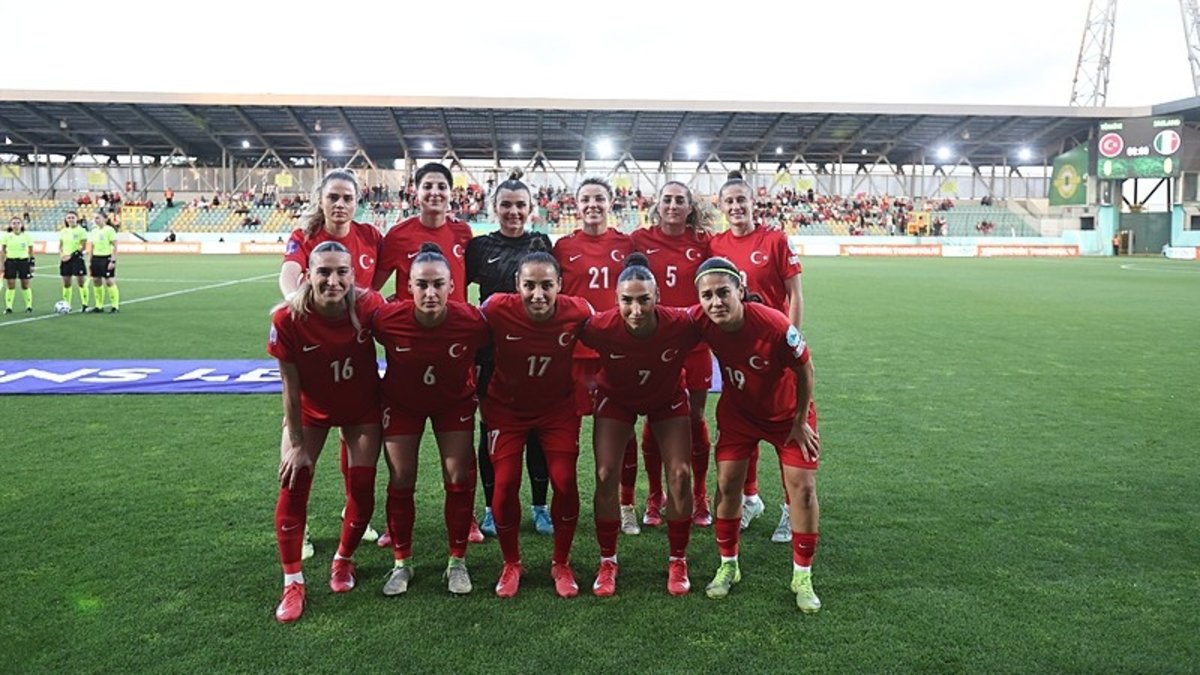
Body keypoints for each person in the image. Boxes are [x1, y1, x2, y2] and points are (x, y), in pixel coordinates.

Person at [691, 256, 823, 613]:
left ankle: (802, 576)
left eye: (723, 292)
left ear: (741, 290)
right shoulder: (700, 320)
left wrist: (800, 420)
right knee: (727, 485)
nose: (716, 302)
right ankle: (728, 565)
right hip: (739, 415)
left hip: (787, 416)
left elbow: (806, 369)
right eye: (707, 295)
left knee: (803, 489)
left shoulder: (774, 325)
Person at [267, 241, 385, 623]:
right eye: (324, 272)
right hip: (310, 413)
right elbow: (289, 387)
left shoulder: (369, 306)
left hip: (361, 410)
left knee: (362, 489)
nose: (333, 280)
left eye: (341, 272)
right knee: (294, 480)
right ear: (307, 276)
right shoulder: (287, 318)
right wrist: (296, 443)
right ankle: (292, 582)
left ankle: (343, 559)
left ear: (353, 275)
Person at [371, 243, 490, 596]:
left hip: (453, 404)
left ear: (452, 286)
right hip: (402, 405)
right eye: (422, 284)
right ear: (409, 286)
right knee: (401, 478)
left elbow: (491, 352)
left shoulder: (471, 321)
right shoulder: (387, 320)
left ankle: (457, 562)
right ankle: (401, 563)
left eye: (438, 284)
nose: (430, 292)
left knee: (458, 477)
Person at [278, 168, 386, 556]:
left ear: (358, 202)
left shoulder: (371, 236)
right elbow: (289, 274)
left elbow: (378, 283)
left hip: (355, 350)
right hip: (318, 349)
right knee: (299, 458)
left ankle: (352, 514)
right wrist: (299, 308)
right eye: (333, 197)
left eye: (347, 198)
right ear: (320, 200)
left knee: (351, 439)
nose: (340, 204)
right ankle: (301, 528)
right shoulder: (304, 236)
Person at [579, 253, 700, 596]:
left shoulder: (681, 323)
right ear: (616, 299)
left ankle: (678, 559)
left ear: (657, 296)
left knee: (680, 473)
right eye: (627, 301)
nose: (636, 310)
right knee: (606, 474)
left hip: (667, 398)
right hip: (616, 398)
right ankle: (607, 560)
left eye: (644, 300)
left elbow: (719, 319)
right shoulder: (599, 326)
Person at [479, 241, 593, 598]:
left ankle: (561, 562)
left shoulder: (578, 311)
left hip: (557, 410)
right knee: (504, 483)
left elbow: (608, 332)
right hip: (506, 409)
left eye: (546, 285)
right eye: (529, 285)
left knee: (565, 481)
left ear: (560, 284)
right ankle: (511, 563)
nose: (538, 294)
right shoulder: (496, 308)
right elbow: (462, 329)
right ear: (517, 284)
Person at [710, 171, 804, 542]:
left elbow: (795, 294)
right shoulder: (715, 245)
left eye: (741, 200)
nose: (736, 206)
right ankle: (750, 499)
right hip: (736, 353)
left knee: (783, 427)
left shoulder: (775, 240)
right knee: (742, 425)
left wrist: (790, 343)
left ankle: (790, 509)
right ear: (721, 206)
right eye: (729, 201)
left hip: (774, 350)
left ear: (753, 203)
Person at [465, 170, 555, 538]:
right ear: (494, 208)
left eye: (520, 205)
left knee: (537, 432)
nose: (513, 212)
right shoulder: (480, 248)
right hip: (492, 357)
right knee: (490, 431)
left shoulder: (541, 243)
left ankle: (539, 507)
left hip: (535, 353)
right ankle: (490, 508)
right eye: (506, 205)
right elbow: (459, 292)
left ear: (531, 208)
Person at [551, 177, 641, 535]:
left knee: (624, 432)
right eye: (585, 199)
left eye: (599, 198)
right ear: (576, 205)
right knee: (566, 434)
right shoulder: (563, 247)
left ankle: (626, 504)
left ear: (610, 203)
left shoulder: (626, 244)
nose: (592, 205)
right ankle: (566, 505)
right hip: (572, 354)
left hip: (615, 352)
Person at [630, 182, 716, 527]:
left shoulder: (704, 243)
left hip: (695, 344)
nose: (673, 205)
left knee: (694, 417)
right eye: (667, 199)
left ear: (690, 207)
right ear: (657, 204)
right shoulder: (639, 239)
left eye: (680, 200)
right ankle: (655, 496)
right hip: (654, 345)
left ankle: (699, 495)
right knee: (654, 417)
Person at [373, 162, 473, 300]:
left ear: (450, 193)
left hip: (456, 314)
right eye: (427, 186)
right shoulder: (398, 235)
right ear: (416, 192)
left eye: (442, 187)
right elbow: (373, 286)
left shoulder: (463, 232)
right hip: (412, 315)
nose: (435, 192)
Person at [86, 213, 120, 313]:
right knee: (96, 280)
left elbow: (115, 246)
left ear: (105, 219)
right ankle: (99, 306)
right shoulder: (94, 231)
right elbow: (92, 246)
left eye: (98, 218)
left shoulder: (110, 230)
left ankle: (115, 306)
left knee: (109, 281)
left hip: (106, 258)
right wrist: (90, 260)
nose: (96, 220)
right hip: (96, 258)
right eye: (95, 218)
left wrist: (113, 260)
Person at [58, 211, 90, 311]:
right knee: (66, 283)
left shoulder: (81, 230)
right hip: (65, 259)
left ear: (77, 219)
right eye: (69, 218)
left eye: (73, 217)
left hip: (77, 258)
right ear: (66, 219)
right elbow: (61, 246)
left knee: (81, 282)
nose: (71, 219)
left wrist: (70, 256)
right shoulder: (63, 231)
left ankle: (85, 304)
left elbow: (83, 246)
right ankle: (66, 305)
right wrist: (62, 255)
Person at [3, 216, 35, 314]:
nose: (16, 225)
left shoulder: (26, 236)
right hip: (10, 262)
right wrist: (1, 263)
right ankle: (9, 307)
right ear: (10, 225)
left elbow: (31, 251)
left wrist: (32, 263)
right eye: (14, 223)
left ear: (21, 225)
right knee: (10, 285)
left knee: (25, 284)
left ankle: (29, 306)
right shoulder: (6, 236)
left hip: (23, 262)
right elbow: (3, 250)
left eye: (18, 223)